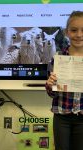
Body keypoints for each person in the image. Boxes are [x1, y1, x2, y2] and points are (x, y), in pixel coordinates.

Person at [45, 11, 83, 150]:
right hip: (62, 117)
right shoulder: (58, 58)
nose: (79, 35)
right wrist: (50, 85)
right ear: (67, 32)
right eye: (74, 30)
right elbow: (51, 93)